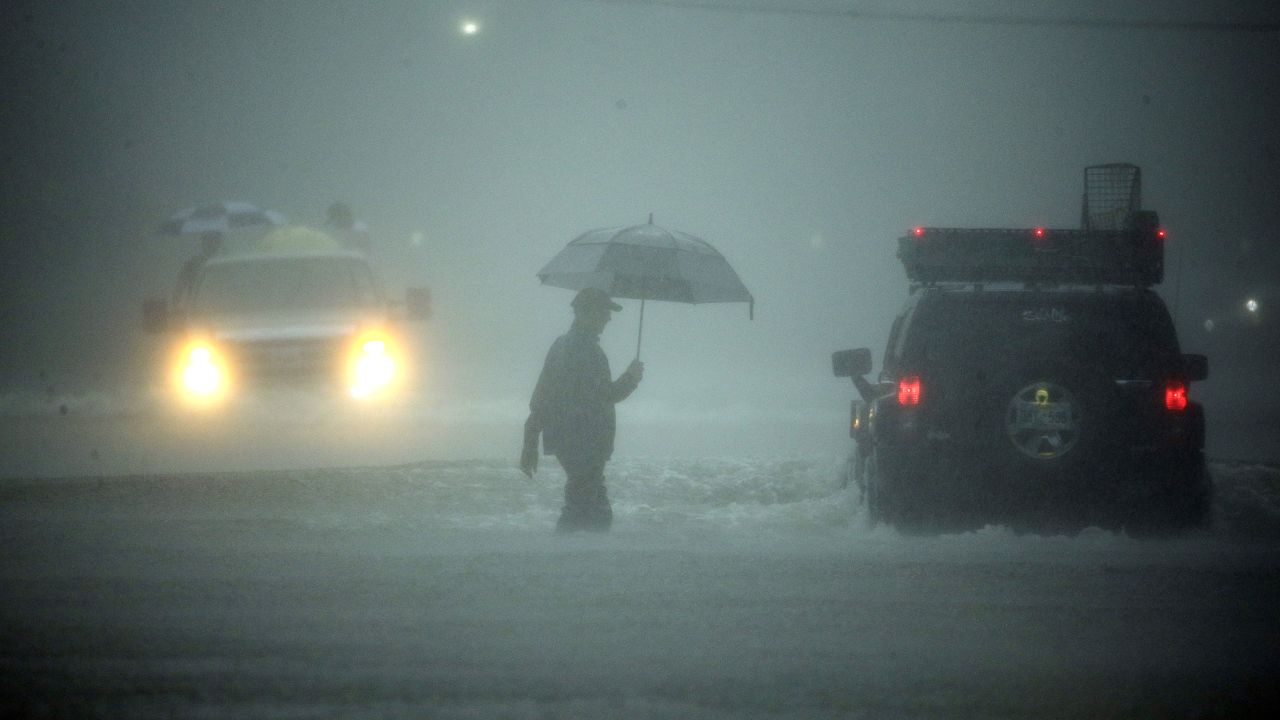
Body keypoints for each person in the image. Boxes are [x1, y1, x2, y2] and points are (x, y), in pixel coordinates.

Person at [521, 287, 644, 532]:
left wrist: (530, 440)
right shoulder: (586, 350)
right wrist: (632, 377)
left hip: (569, 440)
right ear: (587, 313)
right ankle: (567, 558)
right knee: (589, 510)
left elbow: (542, 396)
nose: (609, 318)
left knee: (586, 506)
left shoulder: (562, 345)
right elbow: (606, 395)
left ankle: (571, 558)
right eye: (604, 312)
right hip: (584, 441)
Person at [172, 231, 222, 309]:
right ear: (203, 242)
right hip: (198, 308)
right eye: (209, 240)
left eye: (214, 240)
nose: (211, 244)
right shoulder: (192, 264)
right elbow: (180, 285)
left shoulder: (227, 263)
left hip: (224, 306)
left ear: (219, 242)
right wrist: (176, 303)